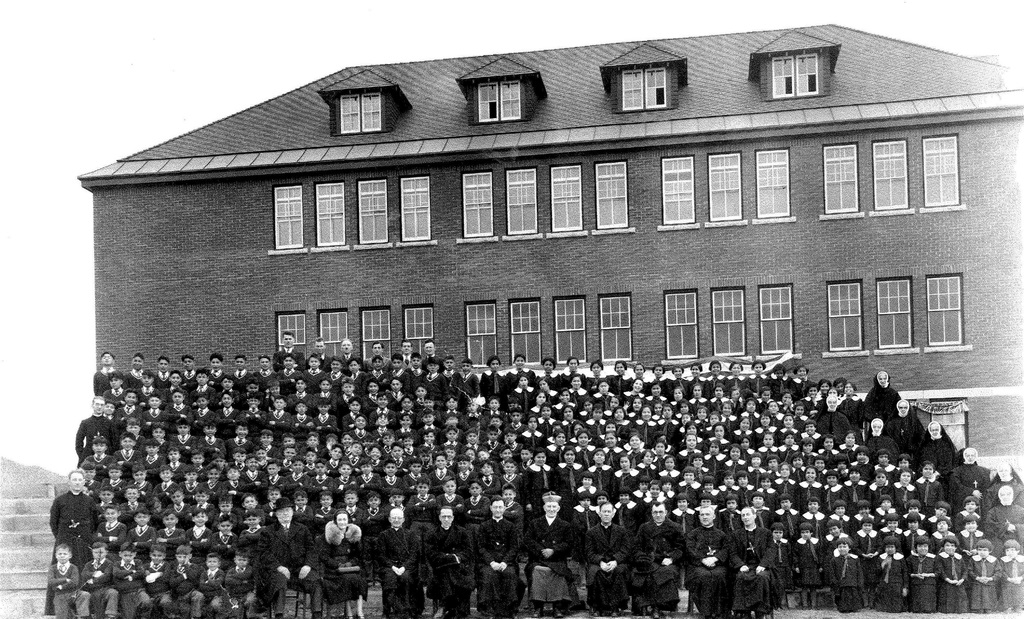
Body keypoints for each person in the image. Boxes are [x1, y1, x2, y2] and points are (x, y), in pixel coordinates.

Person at [255, 497, 322, 619]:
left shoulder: (302, 528)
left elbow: (311, 550)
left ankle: (317, 614)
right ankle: (279, 614)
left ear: (292, 512)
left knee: (315, 580)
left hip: (299, 570)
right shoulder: (268, 531)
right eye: (281, 511)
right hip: (278, 571)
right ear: (276, 514)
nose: (285, 513)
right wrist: (279, 567)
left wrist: (307, 565)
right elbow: (263, 553)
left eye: (288, 510)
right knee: (279, 581)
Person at [525, 492, 574, 617]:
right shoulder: (535, 523)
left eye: (554, 507)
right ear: (544, 508)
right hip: (538, 558)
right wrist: (542, 551)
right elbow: (528, 541)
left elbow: (568, 543)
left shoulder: (565, 525)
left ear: (558, 508)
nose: (551, 509)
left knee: (558, 571)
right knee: (536, 570)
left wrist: (553, 550)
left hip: (557, 559)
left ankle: (557, 607)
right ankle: (538, 607)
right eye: (549, 507)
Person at [424, 506, 474, 619]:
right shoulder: (432, 533)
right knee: (446, 572)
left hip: (459, 567)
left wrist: (456, 557)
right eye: (444, 516)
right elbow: (431, 553)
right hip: (439, 568)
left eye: (449, 516)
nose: (446, 519)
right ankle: (451, 607)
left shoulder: (462, 532)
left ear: (453, 518)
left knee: (452, 572)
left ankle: (444, 605)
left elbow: (468, 551)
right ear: (439, 518)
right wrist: (448, 558)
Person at [585, 502, 631, 616]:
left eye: (609, 512)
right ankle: (597, 606)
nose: (606, 514)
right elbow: (589, 552)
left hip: (616, 562)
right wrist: (600, 561)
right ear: (599, 513)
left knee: (619, 571)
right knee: (596, 572)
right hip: (599, 563)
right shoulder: (591, 532)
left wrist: (615, 560)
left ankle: (615, 606)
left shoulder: (621, 531)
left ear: (613, 513)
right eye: (604, 511)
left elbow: (625, 550)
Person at [477, 498, 521, 619]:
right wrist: (491, 562)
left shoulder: (511, 526)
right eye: (495, 507)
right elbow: (481, 548)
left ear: (504, 508)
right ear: (491, 508)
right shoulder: (484, 526)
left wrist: (504, 562)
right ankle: (490, 609)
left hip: (506, 562)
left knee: (510, 575)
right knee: (488, 575)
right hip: (488, 563)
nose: (498, 510)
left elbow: (513, 548)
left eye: (500, 507)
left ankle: (509, 609)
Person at [684, 505, 729, 619]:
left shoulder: (721, 534)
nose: (705, 517)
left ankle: (719, 612)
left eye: (707, 514)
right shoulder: (693, 534)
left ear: (713, 516)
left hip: (717, 564)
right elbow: (690, 549)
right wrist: (703, 559)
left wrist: (715, 558)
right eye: (702, 515)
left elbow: (726, 549)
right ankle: (706, 612)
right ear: (699, 517)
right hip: (698, 565)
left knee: (720, 576)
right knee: (702, 576)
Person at [321, 510, 366, 619]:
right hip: (333, 570)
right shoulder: (329, 535)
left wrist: (351, 563)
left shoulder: (353, 534)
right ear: (335, 521)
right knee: (348, 579)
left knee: (360, 579)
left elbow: (358, 555)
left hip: (350, 567)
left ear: (348, 521)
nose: (342, 522)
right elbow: (324, 557)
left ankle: (359, 612)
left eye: (344, 519)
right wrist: (338, 565)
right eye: (339, 520)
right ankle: (349, 613)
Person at [729, 507, 773, 619]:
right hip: (745, 565)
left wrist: (763, 565)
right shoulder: (736, 534)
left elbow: (771, 551)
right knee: (740, 577)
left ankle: (760, 611)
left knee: (762, 578)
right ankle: (744, 612)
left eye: (748, 514)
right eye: (743, 515)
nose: (745, 517)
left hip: (761, 566)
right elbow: (733, 553)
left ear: (754, 516)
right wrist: (741, 565)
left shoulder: (766, 533)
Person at [377, 507, 420, 619]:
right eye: (394, 518)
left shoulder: (411, 534)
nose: (396, 520)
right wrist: (393, 567)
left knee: (406, 578)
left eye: (399, 518)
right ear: (389, 519)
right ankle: (390, 610)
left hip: (406, 567)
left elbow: (414, 555)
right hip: (389, 567)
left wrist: (404, 567)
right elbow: (381, 555)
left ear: (404, 519)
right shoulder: (383, 535)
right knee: (390, 578)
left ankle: (406, 610)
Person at [48, 543, 90, 619]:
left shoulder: (73, 567)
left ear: (70, 555)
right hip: (59, 595)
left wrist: (61, 586)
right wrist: (65, 579)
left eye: (65, 554)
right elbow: (51, 581)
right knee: (62, 616)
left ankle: (82, 617)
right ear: (56, 555)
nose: (62, 556)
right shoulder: (53, 568)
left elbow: (74, 582)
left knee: (84, 594)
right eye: (60, 554)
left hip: (73, 593)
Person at [949, 447, 991, 514]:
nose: (970, 457)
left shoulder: (984, 471)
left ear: (976, 456)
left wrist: (979, 493)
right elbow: (956, 486)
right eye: (968, 455)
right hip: (963, 501)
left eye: (972, 455)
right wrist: (971, 491)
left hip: (979, 501)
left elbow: (986, 487)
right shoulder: (956, 471)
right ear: (964, 456)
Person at [829, 536, 864, 613]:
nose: (842, 549)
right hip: (841, 583)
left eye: (844, 547)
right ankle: (843, 607)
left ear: (849, 548)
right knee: (842, 596)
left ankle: (854, 607)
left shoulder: (855, 559)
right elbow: (832, 572)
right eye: (840, 547)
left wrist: (859, 582)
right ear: (837, 548)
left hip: (852, 582)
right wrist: (834, 581)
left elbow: (859, 572)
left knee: (853, 594)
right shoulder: (834, 560)